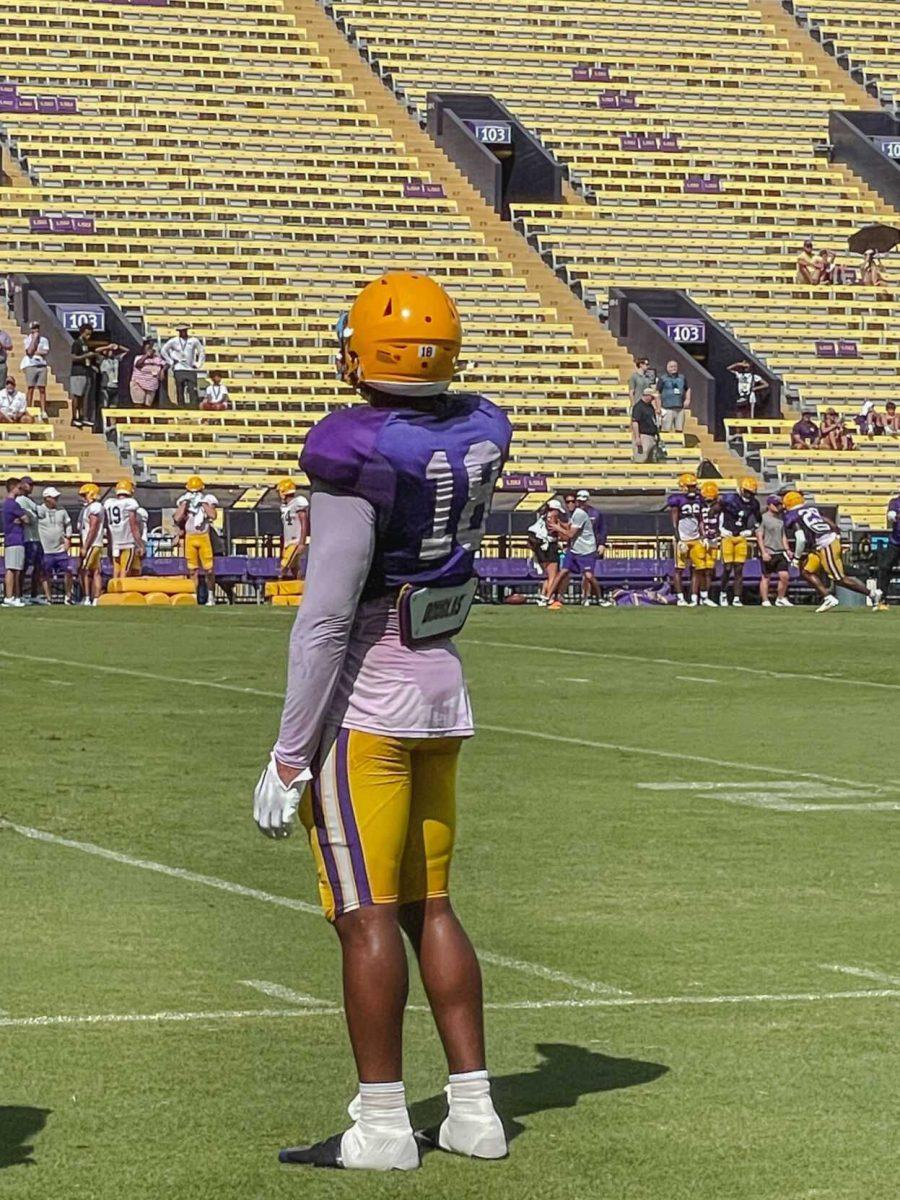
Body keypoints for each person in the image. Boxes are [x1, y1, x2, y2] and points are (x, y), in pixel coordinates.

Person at [254, 271, 511, 1172]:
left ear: (366, 353)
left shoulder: (353, 446)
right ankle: (474, 1110)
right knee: (430, 904)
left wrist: (289, 756)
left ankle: (383, 1124)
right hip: (444, 685)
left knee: (364, 915)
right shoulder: (482, 423)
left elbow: (325, 619)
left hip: (370, 701)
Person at [782, 491, 874, 612]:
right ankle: (828, 598)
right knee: (806, 571)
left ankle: (872, 594)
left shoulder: (793, 515)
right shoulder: (811, 508)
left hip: (826, 543)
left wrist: (796, 558)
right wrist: (836, 533)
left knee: (839, 579)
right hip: (821, 544)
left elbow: (801, 538)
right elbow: (826, 520)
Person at [174, 474, 218, 605]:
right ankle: (194, 597)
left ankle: (211, 596)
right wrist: (185, 503)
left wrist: (202, 503)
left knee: (209, 569)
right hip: (190, 537)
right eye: (191, 492)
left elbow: (213, 515)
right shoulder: (184, 500)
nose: (194, 494)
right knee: (192, 570)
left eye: (196, 491)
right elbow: (177, 518)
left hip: (203, 536)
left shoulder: (208, 499)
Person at [718, 476, 760, 607]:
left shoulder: (754, 503)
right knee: (727, 567)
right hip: (728, 535)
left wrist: (751, 530)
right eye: (747, 492)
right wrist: (719, 529)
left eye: (751, 493)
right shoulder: (729, 499)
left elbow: (758, 520)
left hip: (741, 536)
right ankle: (723, 593)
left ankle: (737, 598)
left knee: (739, 569)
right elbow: (713, 512)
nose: (749, 495)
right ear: (741, 489)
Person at [554, 491, 600, 607]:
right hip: (574, 548)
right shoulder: (572, 513)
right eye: (568, 501)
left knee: (587, 575)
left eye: (573, 501)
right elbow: (570, 528)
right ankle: (556, 597)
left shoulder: (595, 513)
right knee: (564, 572)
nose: (578, 503)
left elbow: (601, 530)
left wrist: (602, 544)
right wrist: (559, 523)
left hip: (587, 549)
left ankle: (590, 597)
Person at [667, 471, 702, 606]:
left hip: (695, 538)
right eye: (690, 486)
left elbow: (699, 520)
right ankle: (680, 597)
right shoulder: (677, 500)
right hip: (682, 538)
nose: (693, 488)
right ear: (683, 487)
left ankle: (694, 597)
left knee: (696, 569)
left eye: (694, 486)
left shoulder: (698, 499)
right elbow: (674, 521)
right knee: (679, 569)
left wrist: (703, 535)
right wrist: (678, 539)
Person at [37, 486, 74, 604]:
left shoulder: (62, 510)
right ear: (46, 498)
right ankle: (48, 598)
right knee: (45, 573)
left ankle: (68, 597)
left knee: (68, 570)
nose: (56, 499)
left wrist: (68, 538)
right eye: (54, 497)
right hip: (45, 550)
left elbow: (68, 524)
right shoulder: (39, 510)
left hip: (60, 549)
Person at [104, 479, 144, 579]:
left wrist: (110, 543)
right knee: (125, 570)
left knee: (116, 570)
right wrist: (140, 544)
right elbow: (133, 525)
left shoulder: (109, 503)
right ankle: (121, 592)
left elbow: (107, 526)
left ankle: (113, 592)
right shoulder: (130, 502)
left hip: (115, 542)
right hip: (127, 542)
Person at [16, 476, 47, 604]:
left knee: (38, 567)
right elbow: (39, 512)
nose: (31, 487)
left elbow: (41, 513)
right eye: (29, 484)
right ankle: (20, 594)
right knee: (24, 568)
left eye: (32, 484)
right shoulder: (21, 500)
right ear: (22, 485)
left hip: (36, 538)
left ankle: (34, 594)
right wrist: (34, 511)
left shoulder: (29, 500)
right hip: (28, 539)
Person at [528, 499, 562, 607]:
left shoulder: (542, 517)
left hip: (540, 548)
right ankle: (549, 597)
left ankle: (543, 596)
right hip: (549, 547)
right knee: (553, 575)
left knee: (548, 575)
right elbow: (552, 531)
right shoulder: (552, 517)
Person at [691, 481, 720, 607]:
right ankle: (694, 597)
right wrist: (702, 536)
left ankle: (705, 596)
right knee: (698, 570)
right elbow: (698, 521)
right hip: (700, 539)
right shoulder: (698, 504)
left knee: (709, 570)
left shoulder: (720, 505)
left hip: (713, 539)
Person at [161, 326, 206, 406]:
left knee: (192, 389)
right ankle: (181, 407)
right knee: (179, 389)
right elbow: (163, 350)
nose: (183, 332)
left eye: (184, 331)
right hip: (179, 368)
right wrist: (171, 361)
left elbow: (201, 351)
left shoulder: (193, 340)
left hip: (190, 369)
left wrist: (198, 363)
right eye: (181, 331)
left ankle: (194, 407)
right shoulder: (174, 341)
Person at [77, 483, 105, 605]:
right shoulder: (91, 507)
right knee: (95, 571)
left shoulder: (95, 507)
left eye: (84, 495)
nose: (83, 498)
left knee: (85, 570)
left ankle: (88, 598)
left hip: (92, 544)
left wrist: (85, 546)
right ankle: (95, 599)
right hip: (95, 544)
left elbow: (93, 528)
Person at [276, 477, 309, 580]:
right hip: (288, 542)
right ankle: (300, 589)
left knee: (283, 568)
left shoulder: (298, 502)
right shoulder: (286, 507)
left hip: (296, 540)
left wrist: (302, 542)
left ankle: (276, 590)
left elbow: (304, 521)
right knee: (294, 568)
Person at [873, 492, 900, 610]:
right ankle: (881, 600)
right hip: (896, 542)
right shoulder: (895, 502)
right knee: (884, 568)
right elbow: (891, 516)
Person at [2, 477, 26, 606]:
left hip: (12, 539)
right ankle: (10, 597)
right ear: (14, 487)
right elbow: (27, 519)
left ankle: (12, 596)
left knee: (14, 568)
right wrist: (22, 518)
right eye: (19, 487)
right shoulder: (12, 504)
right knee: (12, 569)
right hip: (15, 539)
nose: (21, 490)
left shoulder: (7, 503)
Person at [20, 321, 50, 420]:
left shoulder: (44, 339)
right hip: (31, 365)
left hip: (41, 365)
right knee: (30, 387)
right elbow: (29, 351)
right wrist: (34, 340)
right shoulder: (27, 339)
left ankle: (43, 410)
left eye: (37, 328)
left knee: (42, 388)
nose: (36, 330)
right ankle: (29, 408)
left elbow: (45, 351)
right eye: (34, 328)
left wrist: (36, 352)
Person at [130, 338, 167, 407]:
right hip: (139, 383)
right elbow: (138, 364)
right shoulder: (139, 357)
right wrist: (146, 355)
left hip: (152, 385)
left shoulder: (157, 359)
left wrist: (163, 371)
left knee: (148, 405)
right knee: (139, 404)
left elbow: (165, 364)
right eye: (147, 348)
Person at [657, 360, 690, 433]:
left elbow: (687, 389)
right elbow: (658, 393)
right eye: (671, 367)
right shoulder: (663, 378)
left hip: (679, 408)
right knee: (666, 429)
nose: (673, 368)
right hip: (667, 408)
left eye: (675, 366)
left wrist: (688, 399)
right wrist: (658, 407)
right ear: (667, 368)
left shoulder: (682, 378)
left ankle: (678, 444)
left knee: (679, 429)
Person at [631, 386, 659, 462]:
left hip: (652, 436)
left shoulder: (650, 406)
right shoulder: (638, 407)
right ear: (647, 396)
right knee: (641, 458)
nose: (653, 399)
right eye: (652, 397)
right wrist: (637, 437)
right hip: (643, 436)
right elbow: (635, 422)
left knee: (651, 460)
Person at [98, 343, 127, 411]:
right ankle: (104, 421)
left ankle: (112, 422)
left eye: (112, 351)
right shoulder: (103, 360)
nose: (111, 352)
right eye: (109, 350)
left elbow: (127, 351)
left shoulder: (116, 359)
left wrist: (117, 346)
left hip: (115, 386)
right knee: (104, 406)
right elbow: (96, 350)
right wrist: (107, 347)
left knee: (113, 408)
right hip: (106, 386)